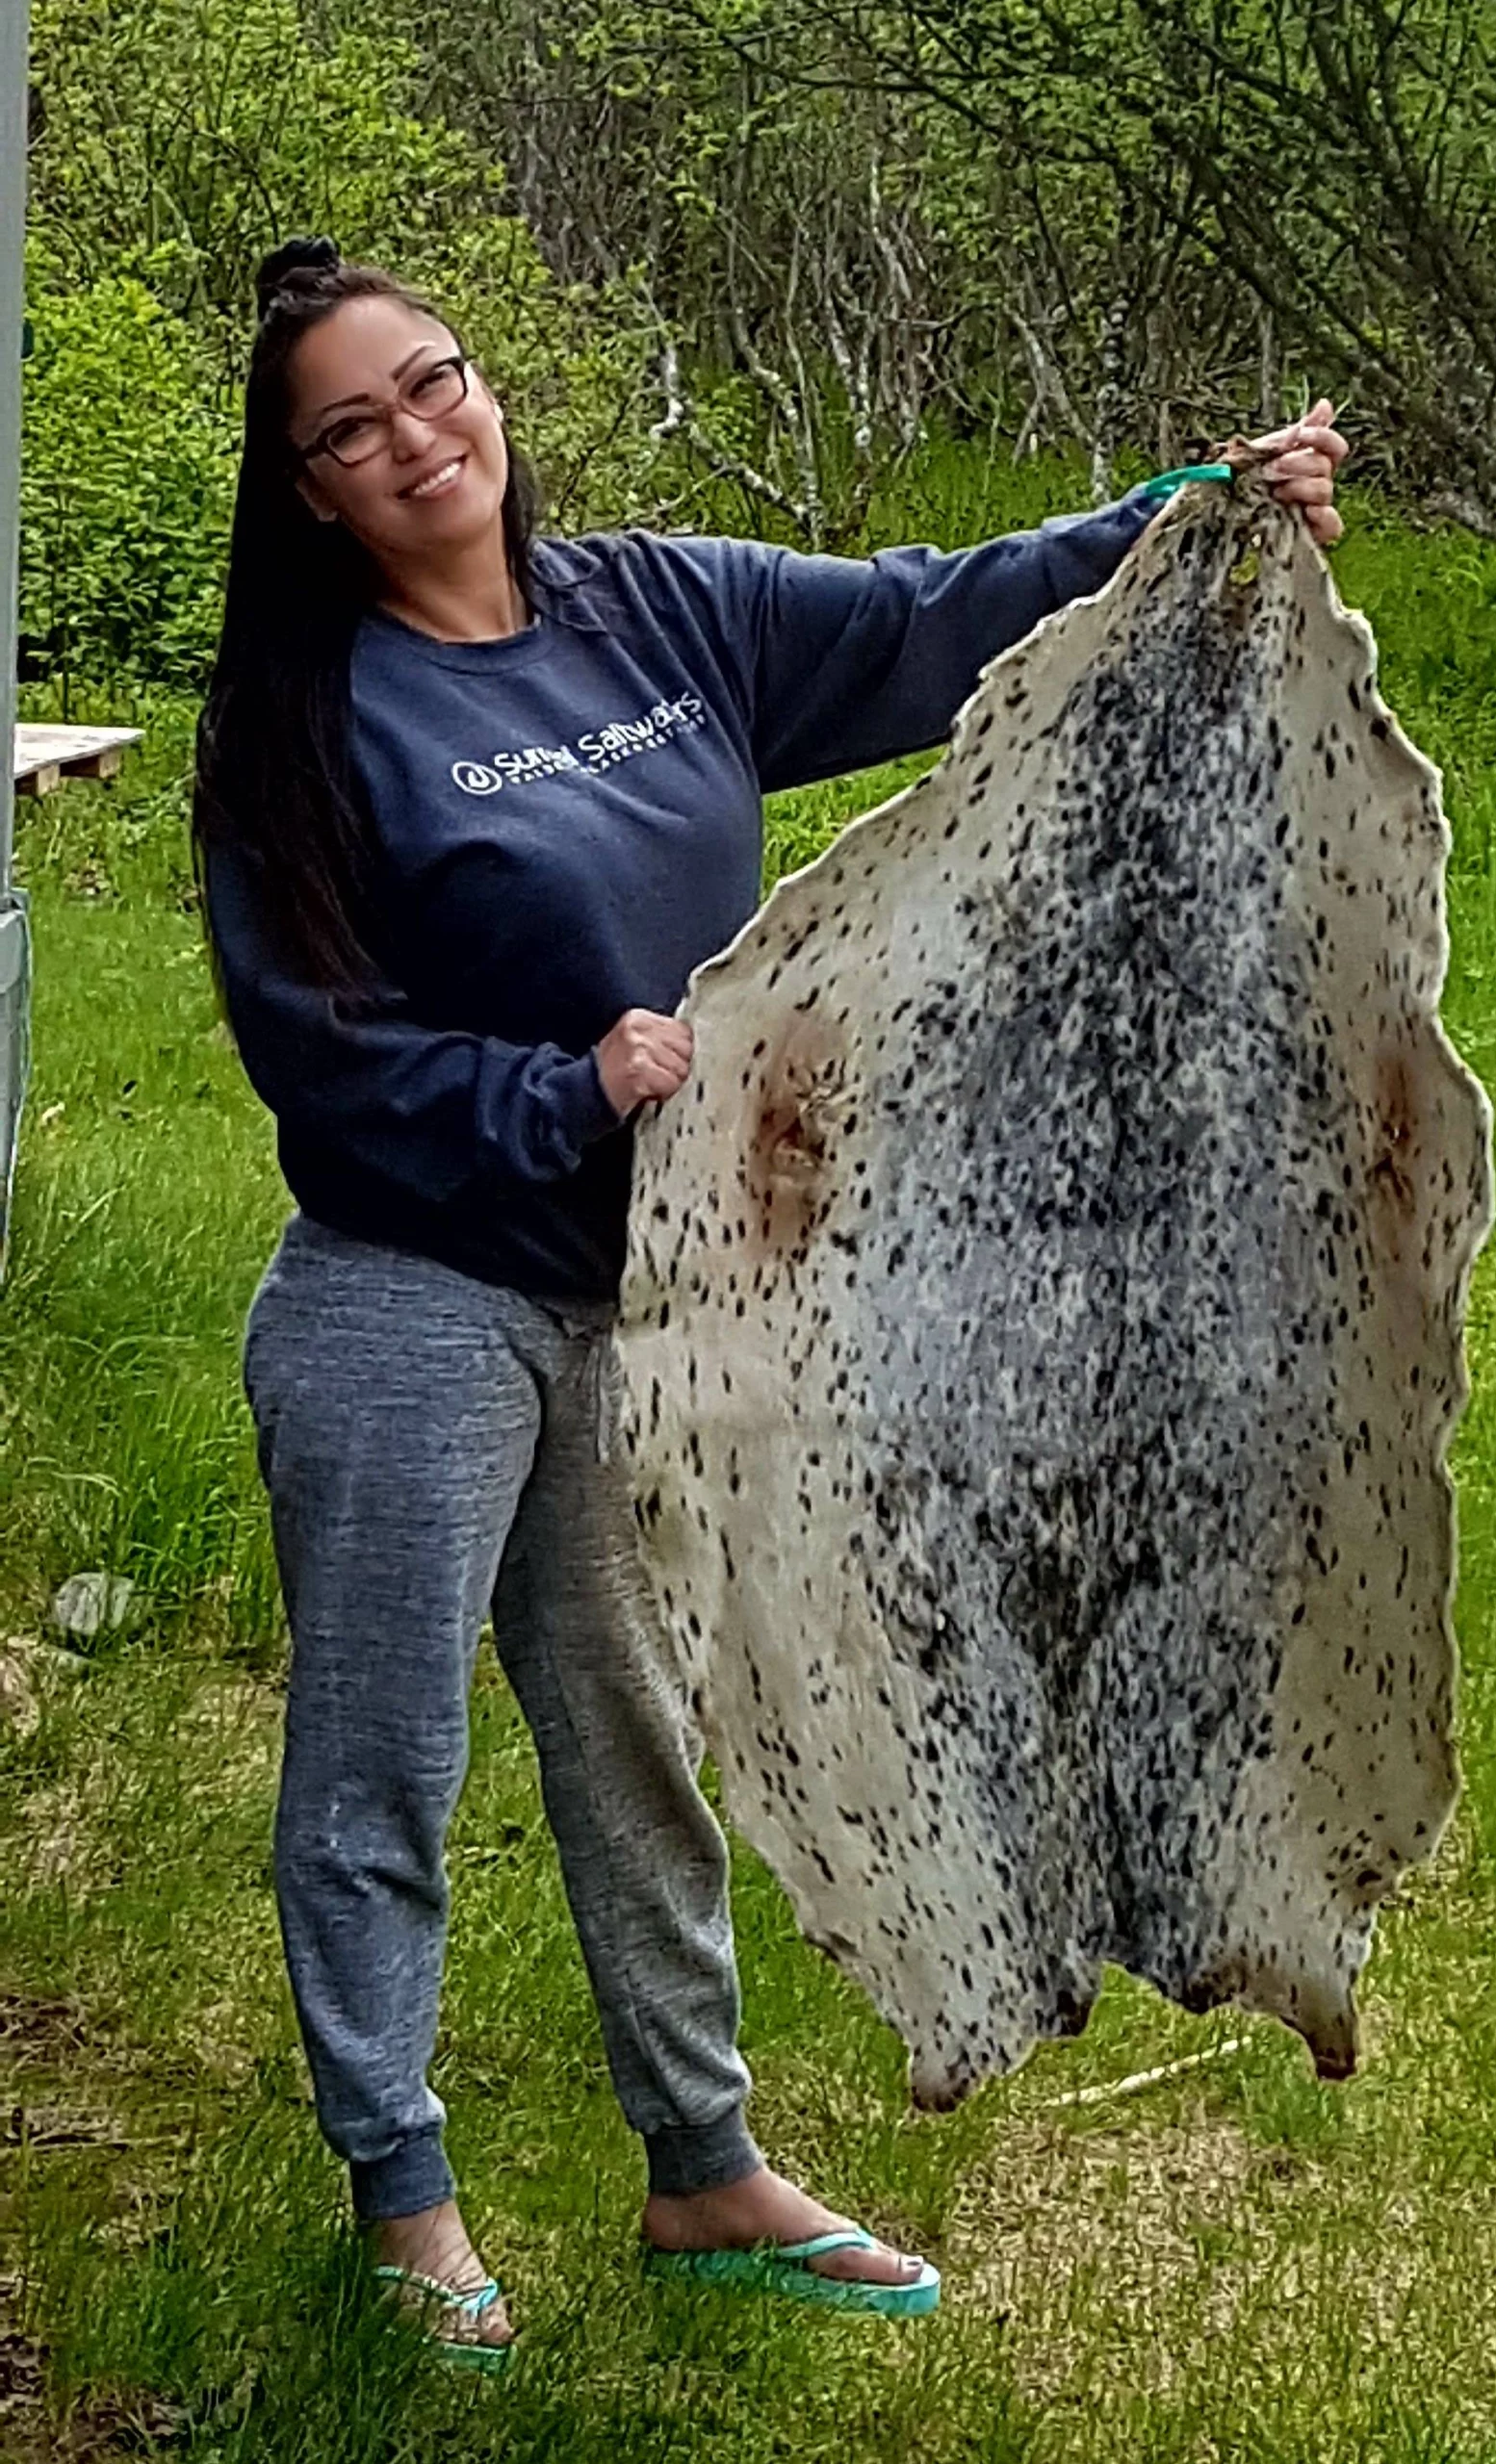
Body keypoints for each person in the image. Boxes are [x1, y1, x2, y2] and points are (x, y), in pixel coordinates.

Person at [193, 234, 1348, 2365]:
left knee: (637, 1744)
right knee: (382, 1764)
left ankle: (698, 2164)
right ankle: (401, 2194)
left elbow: (931, 619)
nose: (414, 436)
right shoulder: (303, 719)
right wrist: (571, 1082)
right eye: (350, 429)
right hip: (407, 1303)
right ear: (308, 490)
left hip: (648, 1307)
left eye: (431, 383)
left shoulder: (663, 609)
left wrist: (1189, 509)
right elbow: (310, 1045)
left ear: (484, 390)